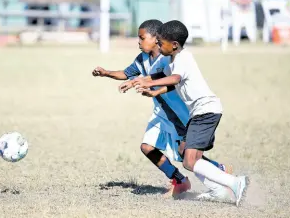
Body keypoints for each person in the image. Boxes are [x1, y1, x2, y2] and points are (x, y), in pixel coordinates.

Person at [93, 19, 233, 199]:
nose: (139, 41)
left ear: (155, 38)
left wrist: (147, 81)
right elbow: (127, 73)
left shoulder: (169, 57)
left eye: (142, 38)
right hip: (160, 112)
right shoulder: (142, 59)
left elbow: (172, 79)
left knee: (186, 155)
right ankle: (179, 180)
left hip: (178, 114)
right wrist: (106, 73)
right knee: (147, 147)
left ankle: (219, 172)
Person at [124, 20, 248, 206]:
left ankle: (236, 183)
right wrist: (146, 85)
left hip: (206, 110)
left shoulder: (184, 58)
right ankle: (218, 190)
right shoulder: (173, 61)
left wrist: (147, 83)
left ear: (174, 45)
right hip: (199, 112)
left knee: (189, 161)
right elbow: (161, 78)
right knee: (185, 153)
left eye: (160, 42)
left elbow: (174, 79)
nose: (157, 45)